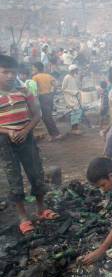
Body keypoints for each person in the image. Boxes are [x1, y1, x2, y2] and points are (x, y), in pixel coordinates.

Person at [0, 54, 58, 235]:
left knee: (36, 173)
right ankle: (23, 217)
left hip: (27, 138)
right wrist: (8, 131)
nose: (10, 76)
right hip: (4, 141)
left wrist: (25, 131)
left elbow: (37, 114)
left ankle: (41, 210)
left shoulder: (23, 90)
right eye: (5, 72)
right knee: (14, 179)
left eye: (13, 72)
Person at [32, 62, 61, 140]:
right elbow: (56, 85)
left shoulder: (35, 77)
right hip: (49, 96)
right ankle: (53, 134)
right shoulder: (49, 76)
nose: (32, 69)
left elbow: (35, 90)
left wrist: (36, 99)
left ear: (36, 68)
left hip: (42, 97)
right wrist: (52, 93)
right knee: (47, 116)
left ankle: (56, 134)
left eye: (33, 68)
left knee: (47, 117)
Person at [62, 64, 83, 135]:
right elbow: (63, 89)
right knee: (75, 112)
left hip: (75, 96)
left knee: (77, 112)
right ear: (73, 70)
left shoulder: (74, 77)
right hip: (70, 97)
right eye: (76, 70)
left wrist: (81, 79)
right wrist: (73, 92)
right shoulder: (67, 77)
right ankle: (74, 129)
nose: (77, 71)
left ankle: (75, 128)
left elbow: (78, 86)